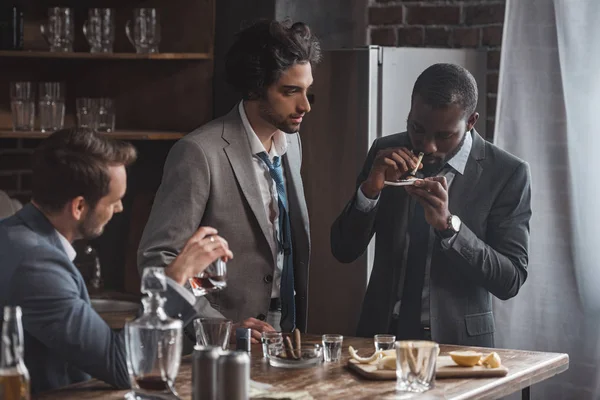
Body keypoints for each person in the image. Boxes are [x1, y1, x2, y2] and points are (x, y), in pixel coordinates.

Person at [0, 129, 232, 394]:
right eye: (114, 201)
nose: (120, 209)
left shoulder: (10, 233)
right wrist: (176, 278)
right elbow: (124, 366)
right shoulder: (38, 266)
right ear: (78, 207)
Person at [138, 19, 321, 339]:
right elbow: (159, 262)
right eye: (291, 92)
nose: (305, 105)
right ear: (255, 88)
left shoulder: (292, 143)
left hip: (289, 329)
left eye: (307, 91)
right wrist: (219, 326)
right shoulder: (198, 153)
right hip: (224, 335)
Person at [331, 63, 531, 347]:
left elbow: (510, 280)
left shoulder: (507, 173)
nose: (427, 146)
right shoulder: (383, 152)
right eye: (417, 128)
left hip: (458, 347)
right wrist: (369, 192)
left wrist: (450, 227)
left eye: (444, 135)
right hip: (381, 338)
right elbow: (343, 250)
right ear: (411, 111)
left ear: (471, 121)